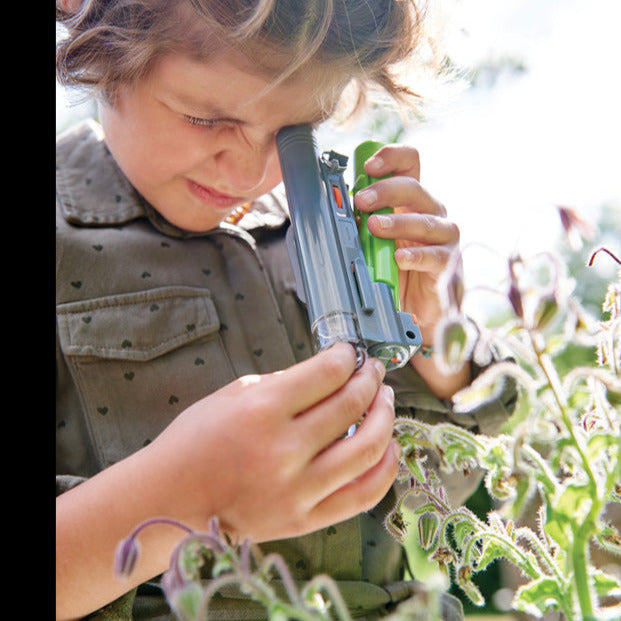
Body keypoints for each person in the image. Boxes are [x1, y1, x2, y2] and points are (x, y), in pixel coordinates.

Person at [55, 1, 516, 619]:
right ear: (98, 45)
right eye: (205, 117)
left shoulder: (334, 237)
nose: (248, 171)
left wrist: (437, 342)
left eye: (293, 132)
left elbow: (436, 508)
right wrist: (181, 499)